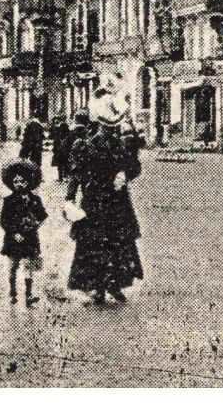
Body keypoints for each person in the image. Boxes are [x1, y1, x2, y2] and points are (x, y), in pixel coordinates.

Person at [65, 91, 144, 305]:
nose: (110, 131)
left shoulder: (121, 145)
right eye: (106, 127)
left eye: (113, 127)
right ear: (98, 126)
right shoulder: (85, 145)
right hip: (94, 200)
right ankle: (97, 286)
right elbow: (77, 174)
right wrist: (69, 199)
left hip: (117, 201)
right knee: (94, 243)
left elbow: (135, 166)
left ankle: (114, 283)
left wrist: (125, 175)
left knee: (118, 243)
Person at [0, 158, 47, 307]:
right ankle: (12, 293)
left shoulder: (35, 199)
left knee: (28, 265)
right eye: (16, 181)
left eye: (22, 181)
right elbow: (4, 220)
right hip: (13, 237)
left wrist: (36, 224)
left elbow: (43, 215)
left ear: (29, 183)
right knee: (13, 265)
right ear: (12, 184)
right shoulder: (8, 200)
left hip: (30, 237)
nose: (19, 184)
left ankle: (29, 294)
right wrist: (14, 233)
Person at [49, 117, 71, 182]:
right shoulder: (68, 135)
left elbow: (55, 144)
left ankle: (61, 178)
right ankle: (65, 177)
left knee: (61, 166)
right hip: (65, 153)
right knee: (65, 165)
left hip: (60, 153)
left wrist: (55, 150)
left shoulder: (59, 135)